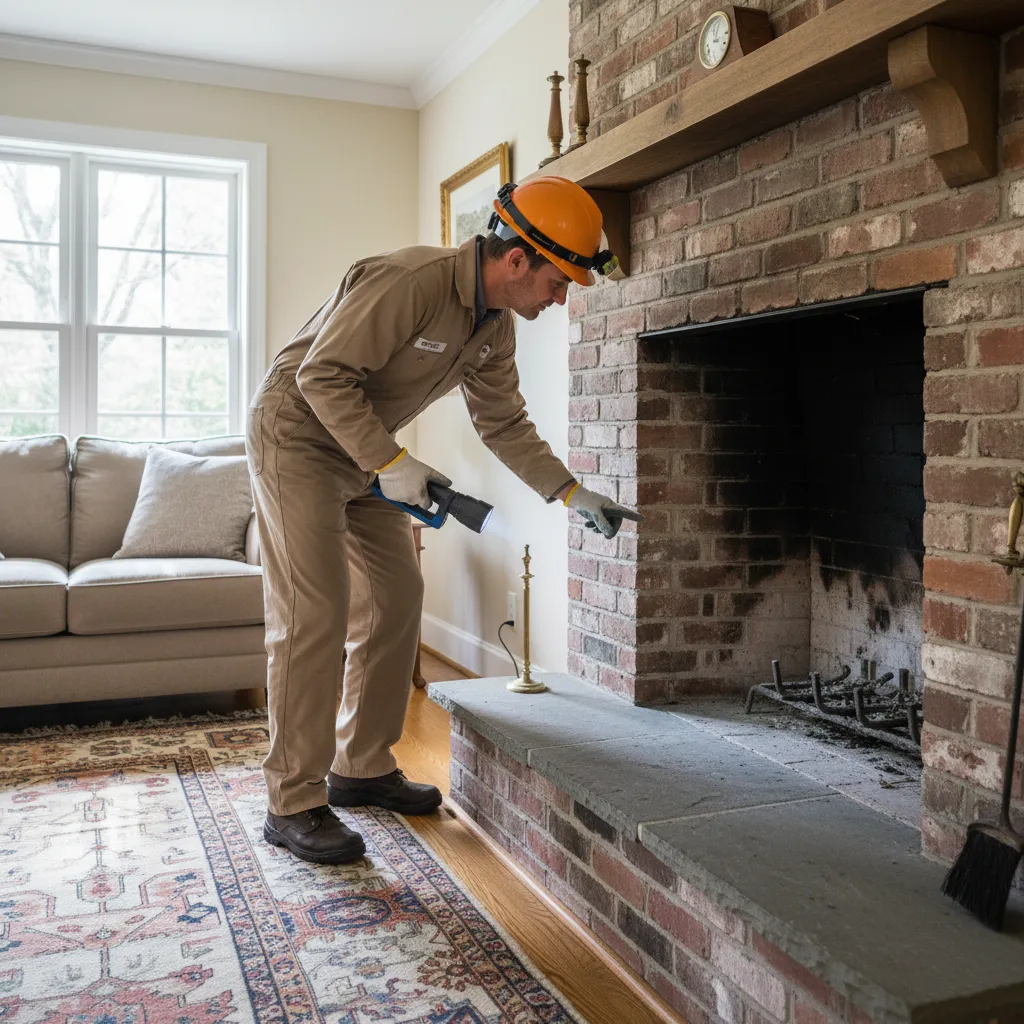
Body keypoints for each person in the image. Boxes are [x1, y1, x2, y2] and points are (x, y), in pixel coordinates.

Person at [247, 175, 638, 864]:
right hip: (298, 435)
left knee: (399, 595)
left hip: (368, 444)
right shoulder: (412, 281)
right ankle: (292, 800)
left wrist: (574, 494)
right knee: (316, 613)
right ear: (517, 260)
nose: (560, 298)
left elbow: (504, 423)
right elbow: (320, 375)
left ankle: (360, 766)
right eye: (558, 281)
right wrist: (389, 458)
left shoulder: (493, 328)